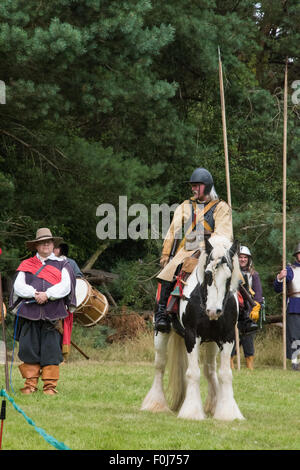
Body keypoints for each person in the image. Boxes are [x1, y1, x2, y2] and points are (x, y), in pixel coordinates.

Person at [155, 167, 233, 333]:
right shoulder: (186, 205)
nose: (193, 188)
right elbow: (173, 230)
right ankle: (162, 315)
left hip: (213, 251)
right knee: (169, 272)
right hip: (188, 249)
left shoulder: (221, 207)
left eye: (197, 185)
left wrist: (208, 247)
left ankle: (245, 316)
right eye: (193, 185)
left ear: (207, 186)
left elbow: (223, 233)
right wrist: (166, 254)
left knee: (236, 276)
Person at [9, 228, 76, 394]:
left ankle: (50, 386)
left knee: (51, 350)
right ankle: (30, 385)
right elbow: (18, 286)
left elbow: (66, 286)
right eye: (42, 242)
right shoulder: (27, 265)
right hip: (30, 314)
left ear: (53, 245)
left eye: (49, 242)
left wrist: (48, 294)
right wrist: (34, 293)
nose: (46, 244)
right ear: (36, 246)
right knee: (28, 349)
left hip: (53, 314)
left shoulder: (63, 265)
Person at [231, 246, 263, 370]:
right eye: (240, 257)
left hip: (248, 311)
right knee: (231, 339)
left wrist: (256, 308)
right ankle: (231, 364)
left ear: (248, 259)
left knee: (248, 339)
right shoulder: (231, 273)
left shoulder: (253, 275)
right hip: (234, 310)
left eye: (245, 257)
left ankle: (250, 365)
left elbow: (258, 294)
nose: (242, 259)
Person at [53, 242, 83, 360]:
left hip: (65, 301)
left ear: (60, 250)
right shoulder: (48, 262)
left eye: (55, 248)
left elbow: (79, 278)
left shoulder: (71, 263)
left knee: (62, 328)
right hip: (51, 300)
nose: (52, 250)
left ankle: (61, 356)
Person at [274, 243, 300, 371]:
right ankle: (295, 362)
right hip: (294, 306)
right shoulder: (290, 270)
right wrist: (279, 277)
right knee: (294, 336)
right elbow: (278, 288)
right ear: (297, 255)